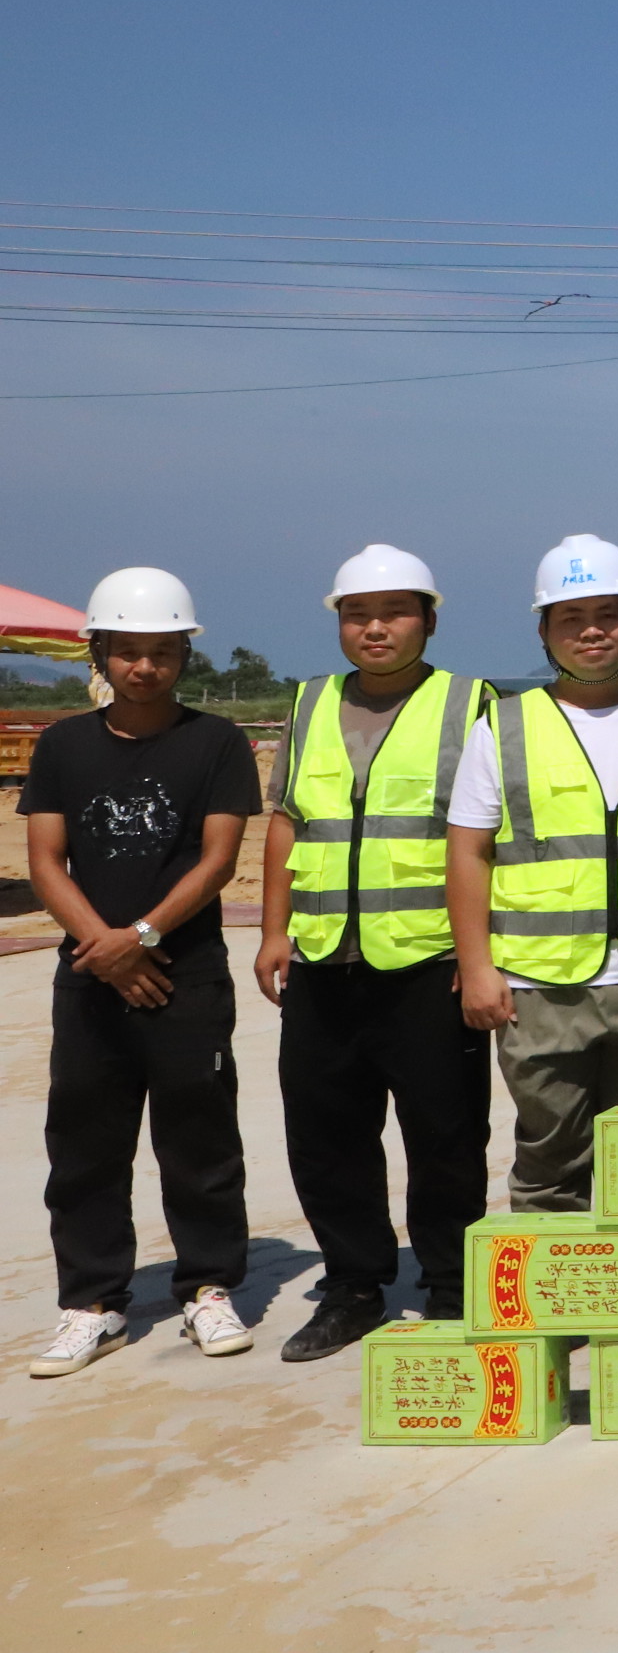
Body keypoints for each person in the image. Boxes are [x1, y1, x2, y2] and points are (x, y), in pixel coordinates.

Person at [255, 544, 494, 1359]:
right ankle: (353, 1287)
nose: (375, 628)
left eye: (394, 612)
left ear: (428, 620)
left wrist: (480, 954)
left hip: (429, 961)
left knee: (446, 1134)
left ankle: (452, 1286)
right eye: (357, 614)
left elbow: (486, 836)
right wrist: (274, 931)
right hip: (324, 960)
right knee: (325, 1132)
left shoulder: (470, 703)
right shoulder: (310, 702)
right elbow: (287, 820)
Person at [23, 568, 263, 1378]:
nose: (145, 667)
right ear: (99, 653)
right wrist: (106, 947)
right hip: (90, 974)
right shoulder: (63, 745)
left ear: (184, 656)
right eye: (127, 651)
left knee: (199, 1138)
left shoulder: (217, 742)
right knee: (84, 1142)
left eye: (162, 652)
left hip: (186, 973)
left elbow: (219, 859)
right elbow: (46, 862)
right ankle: (91, 1305)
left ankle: (207, 1289)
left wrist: (145, 934)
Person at [444, 537, 618, 1212]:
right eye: (571, 618)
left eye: (608, 615)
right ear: (544, 631)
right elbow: (468, 853)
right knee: (550, 1162)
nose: (592, 631)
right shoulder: (504, 726)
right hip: (540, 987)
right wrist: (477, 967)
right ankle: (556, 1277)